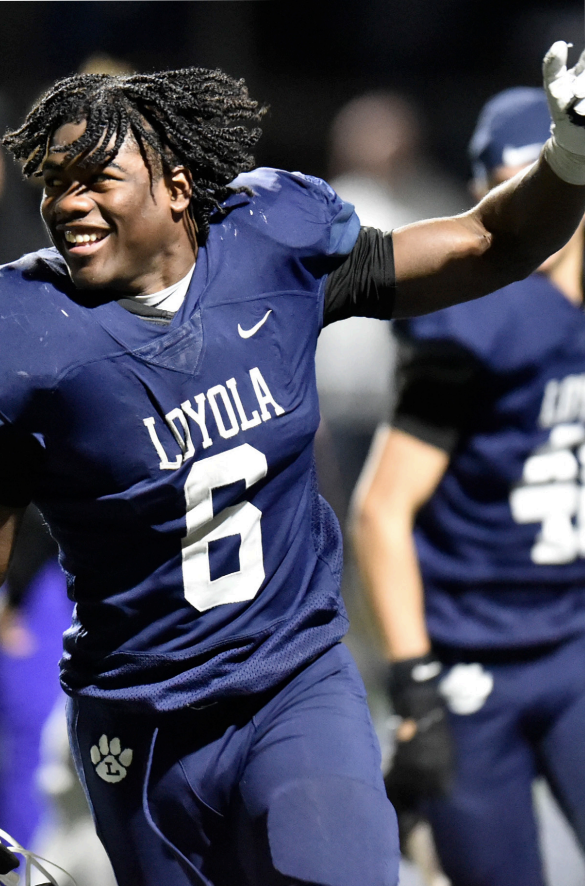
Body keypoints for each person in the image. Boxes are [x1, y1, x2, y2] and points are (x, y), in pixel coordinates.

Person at [0, 42, 585, 886]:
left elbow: (489, 240)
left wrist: (570, 155)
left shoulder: (271, 250)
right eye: (53, 184)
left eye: (96, 180)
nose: (68, 204)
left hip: (289, 682)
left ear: (177, 187)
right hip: (139, 721)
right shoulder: (25, 336)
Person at [351, 86, 585, 886]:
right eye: (517, 185)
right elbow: (383, 510)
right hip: (476, 655)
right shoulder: (481, 321)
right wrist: (415, 689)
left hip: (575, 638)